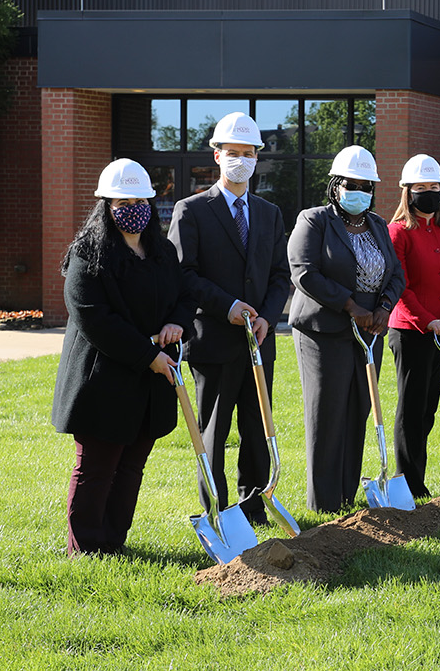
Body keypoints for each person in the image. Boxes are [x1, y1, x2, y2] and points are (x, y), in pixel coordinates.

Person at [52, 159, 195, 556]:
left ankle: (114, 542)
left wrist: (177, 325)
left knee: (131, 467)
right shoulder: (87, 254)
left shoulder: (161, 251)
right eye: (122, 202)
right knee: (97, 467)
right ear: (106, 206)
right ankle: (85, 548)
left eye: (139, 200)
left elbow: (185, 296)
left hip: (149, 383)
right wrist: (147, 354)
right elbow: (93, 318)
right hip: (103, 380)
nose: (132, 208)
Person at [166, 112, 290, 526]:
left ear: (258, 158)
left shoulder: (269, 213)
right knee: (214, 432)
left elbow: (279, 275)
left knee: (257, 430)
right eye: (232, 152)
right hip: (214, 339)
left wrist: (268, 318)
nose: (241, 159)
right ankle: (216, 511)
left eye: (249, 153)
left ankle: (253, 508)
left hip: (258, 342)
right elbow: (183, 274)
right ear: (216, 156)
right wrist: (229, 306)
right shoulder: (192, 210)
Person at [287, 145, 404, 513]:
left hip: (369, 331)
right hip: (324, 332)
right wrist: (350, 306)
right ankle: (323, 503)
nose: (361, 192)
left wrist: (384, 308)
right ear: (336, 186)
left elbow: (397, 274)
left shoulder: (378, 225)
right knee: (328, 411)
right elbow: (304, 270)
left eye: (367, 186)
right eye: (352, 184)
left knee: (358, 409)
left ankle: (345, 497)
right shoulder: (314, 220)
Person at [387, 154, 440, 498]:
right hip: (410, 332)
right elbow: (399, 286)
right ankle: (407, 484)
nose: (429, 193)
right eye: (421, 187)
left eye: (434, 187)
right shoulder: (398, 233)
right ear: (407, 192)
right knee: (411, 408)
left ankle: (415, 479)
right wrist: (429, 320)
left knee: (428, 409)